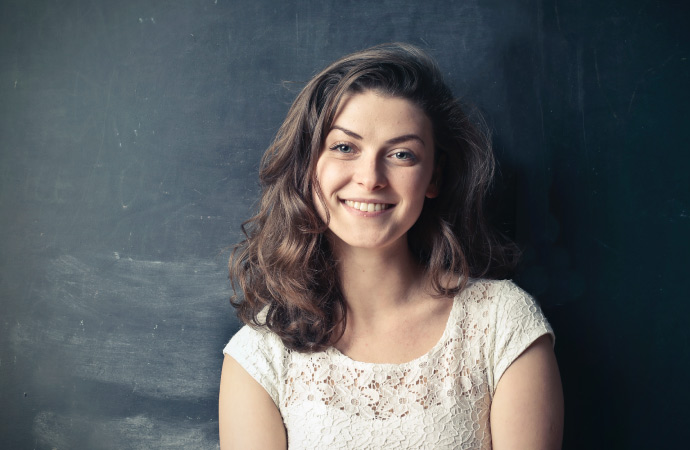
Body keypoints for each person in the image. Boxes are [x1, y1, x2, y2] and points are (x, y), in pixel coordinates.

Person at [219, 43, 563, 449]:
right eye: (344, 147)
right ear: (307, 167)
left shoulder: (503, 323)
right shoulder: (260, 354)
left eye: (402, 154)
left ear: (433, 178)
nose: (370, 178)